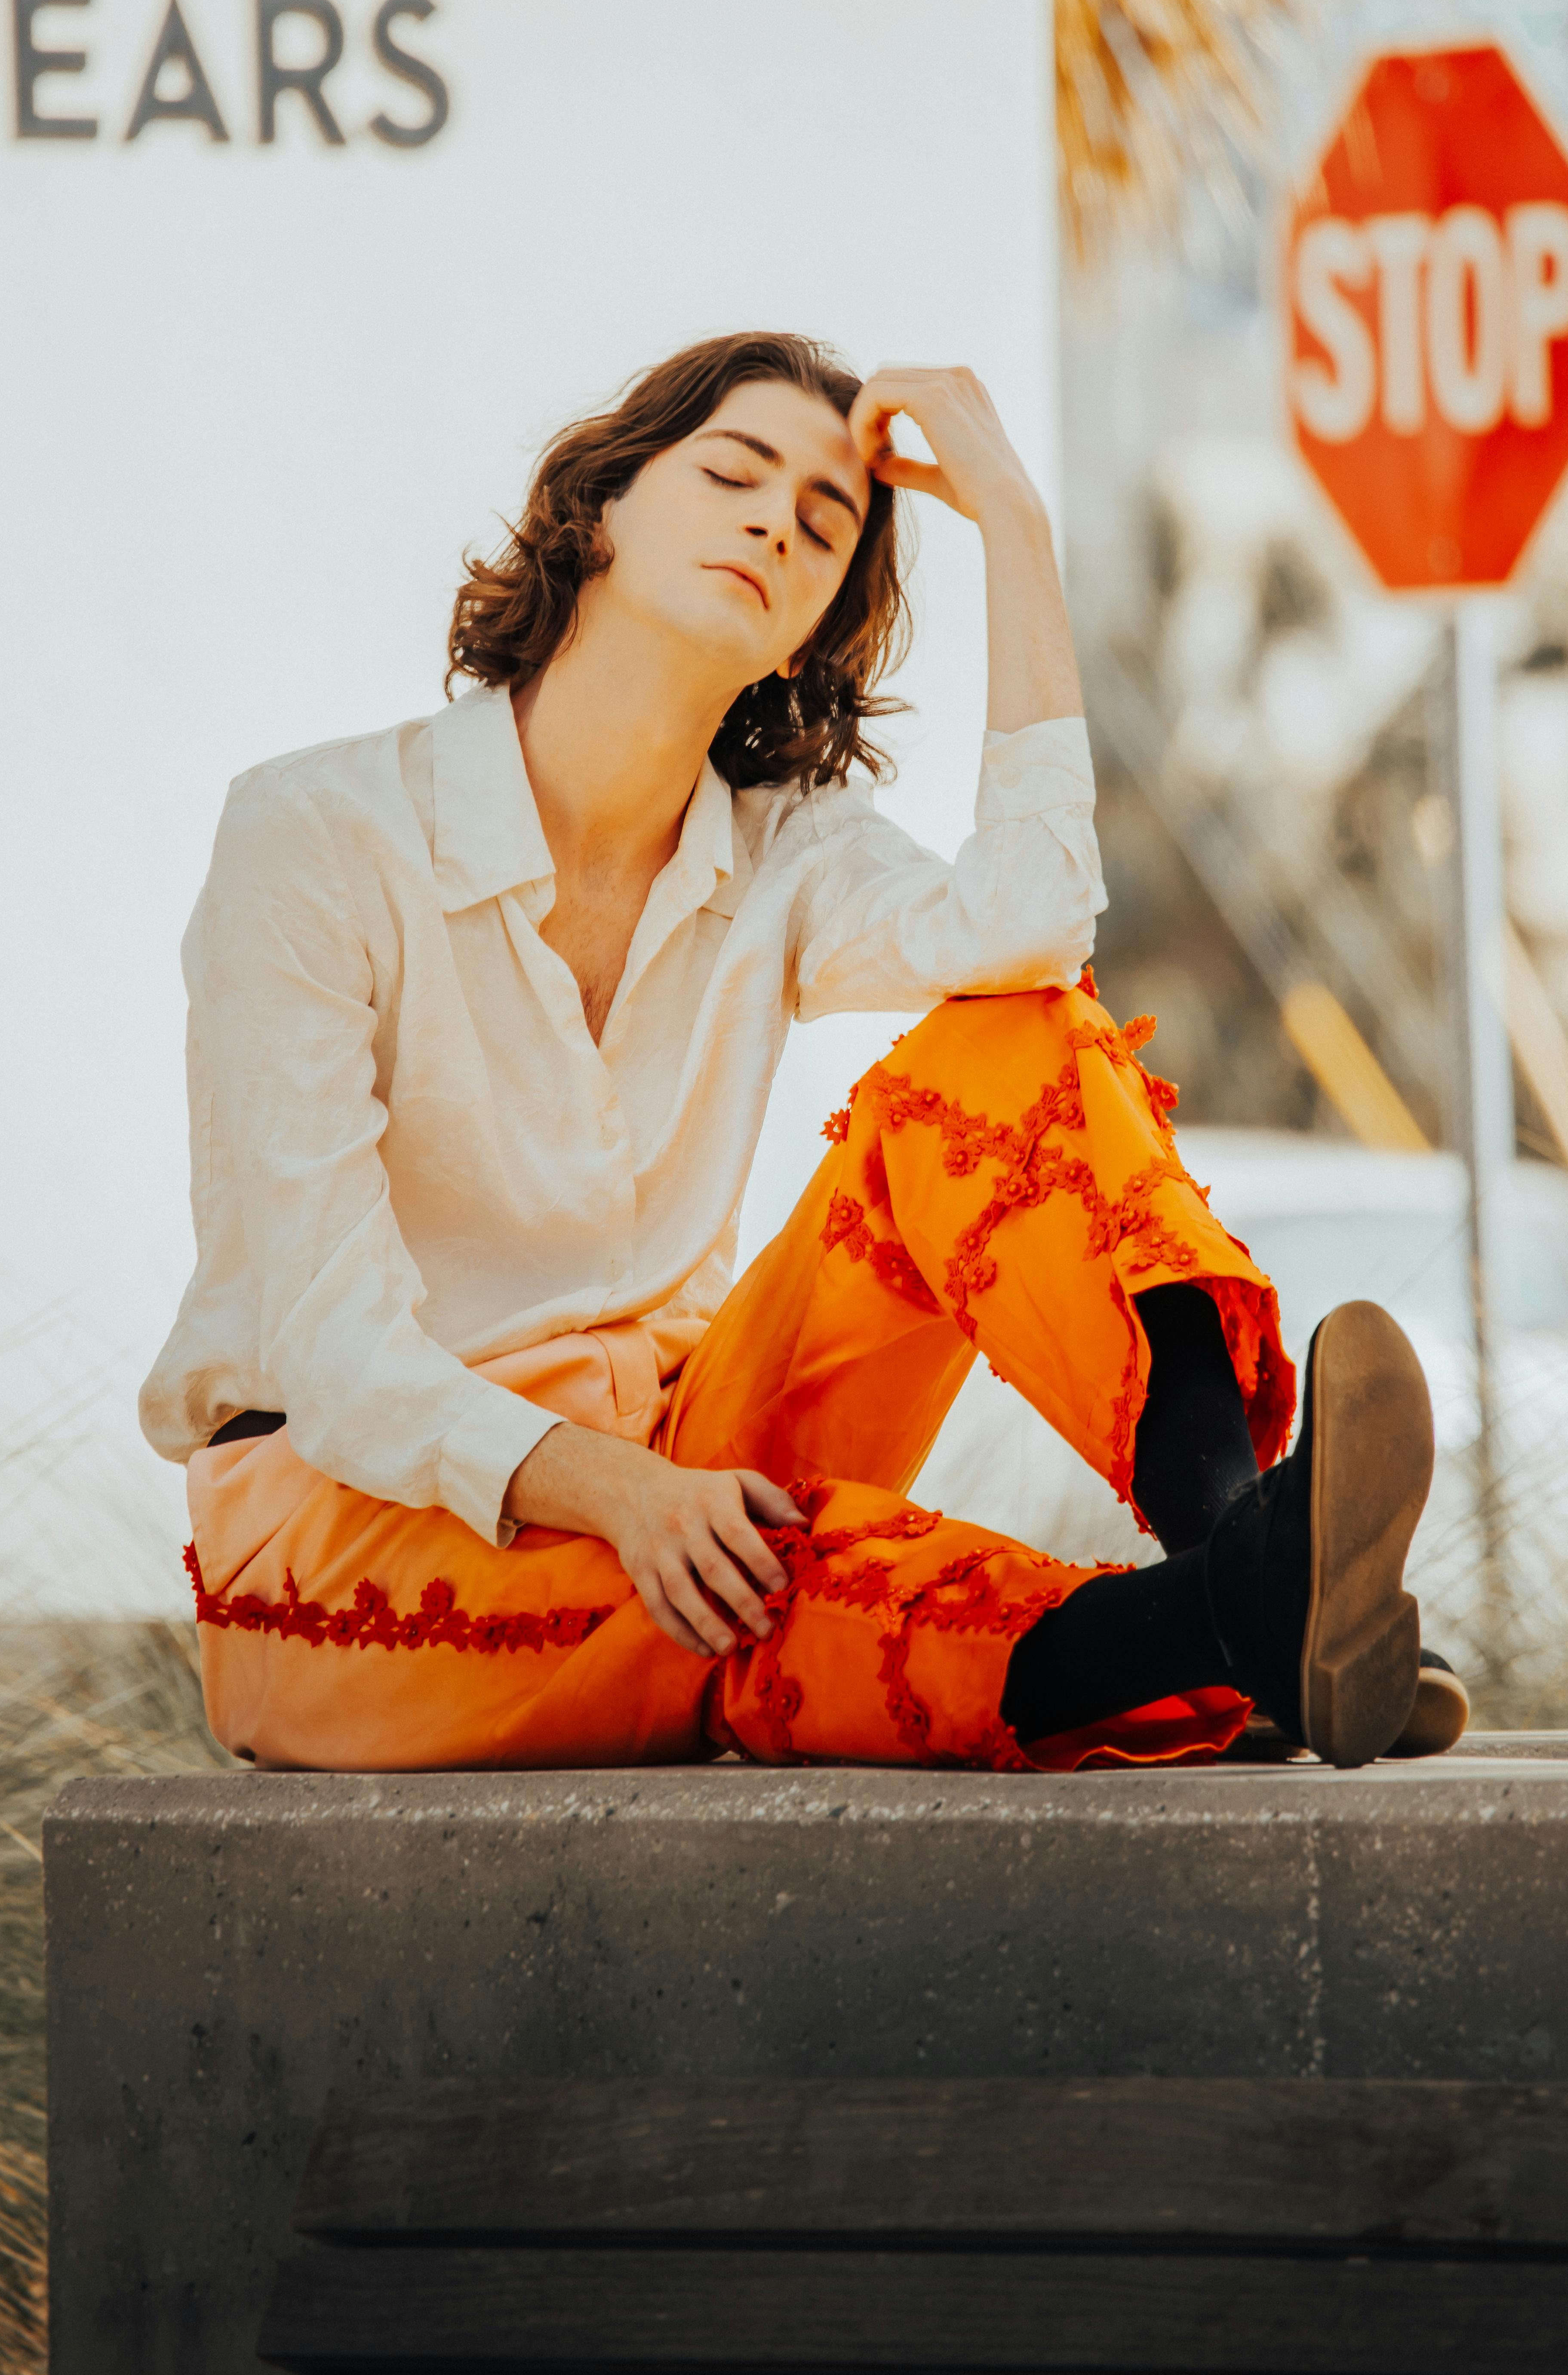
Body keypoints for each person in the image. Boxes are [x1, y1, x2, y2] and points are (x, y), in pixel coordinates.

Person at [141, 331, 1456, 1776]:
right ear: (597, 510)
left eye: (824, 521)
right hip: (352, 1533)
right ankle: (1239, 1621)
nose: (776, 517)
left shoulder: (779, 855)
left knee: (1011, 1033)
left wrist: (1010, 512)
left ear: (813, 622)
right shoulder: (315, 837)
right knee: (771, 1580)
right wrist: (620, 1492)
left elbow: (1027, 929)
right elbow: (333, 1348)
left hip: (676, 1451)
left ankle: (1252, 1559)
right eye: (731, 473)